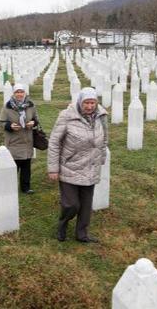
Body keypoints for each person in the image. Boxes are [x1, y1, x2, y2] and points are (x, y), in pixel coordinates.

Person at [47, 87, 108, 243]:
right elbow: (54, 142)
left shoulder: (101, 116)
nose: (89, 106)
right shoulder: (66, 116)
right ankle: (63, 224)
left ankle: (82, 234)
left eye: (92, 102)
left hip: (91, 166)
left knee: (86, 205)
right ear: (80, 101)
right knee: (71, 204)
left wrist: (101, 158)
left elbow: (105, 138)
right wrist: (53, 168)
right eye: (86, 102)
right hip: (70, 166)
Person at [0, 84, 39, 195]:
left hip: (27, 140)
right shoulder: (7, 107)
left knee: (26, 166)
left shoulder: (30, 105)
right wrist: (10, 126)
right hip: (14, 141)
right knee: (13, 165)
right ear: (13, 93)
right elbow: (1, 122)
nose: (19, 94)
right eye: (17, 92)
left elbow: (36, 119)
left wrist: (33, 123)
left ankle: (26, 188)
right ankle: (9, 188)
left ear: (24, 93)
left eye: (21, 92)